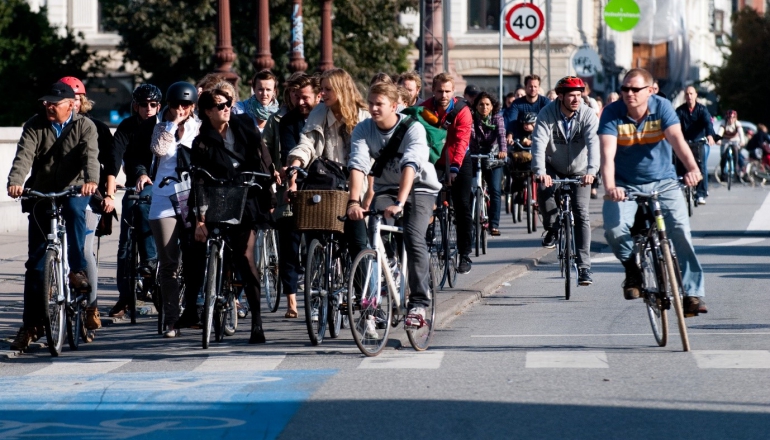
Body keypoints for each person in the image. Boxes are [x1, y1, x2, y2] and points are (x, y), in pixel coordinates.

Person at [599, 68, 707, 315]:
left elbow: (678, 141)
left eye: (635, 89)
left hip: (664, 182)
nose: (629, 94)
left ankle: (693, 293)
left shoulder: (662, 108)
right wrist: (610, 188)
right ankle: (632, 270)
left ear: (650, 91)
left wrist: (693, 170)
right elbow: (607, 156)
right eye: (625, 89)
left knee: (679, 230)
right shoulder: (612, 113)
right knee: (614, 230)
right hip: (624, 185)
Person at [7, 82, 99, 350]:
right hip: (42, 192)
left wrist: (91, 181)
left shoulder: (85, 126)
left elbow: (90, 157)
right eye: (45, 102)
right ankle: (30, 325)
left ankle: (76, 269)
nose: (47, 106)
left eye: (54, 103)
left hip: (75, 189)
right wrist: (15, 181)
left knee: (73, 210)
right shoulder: (35, 124)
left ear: (71, 104)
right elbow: (24, 155)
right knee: (35, 265)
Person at [347, 81, 441, 333]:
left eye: (380, 104)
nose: (374, 108)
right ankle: (379, 290)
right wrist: (354, 200)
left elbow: (411, 164)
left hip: (420, 188)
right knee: (373, 237)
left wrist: (400, 202)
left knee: (413, 236)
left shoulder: (413, 128)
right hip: (387, 188)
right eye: (371, 103)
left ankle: (419, 302)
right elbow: (358, 164)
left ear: (394, 106)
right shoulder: (363, 128)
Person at [190, 87, 275, 343]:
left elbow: (262, 156)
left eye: (228, 103)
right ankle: (202, 302)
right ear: (207, 112)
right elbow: (198, 181)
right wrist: (199, 219)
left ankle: (257, 323)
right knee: (201, 246)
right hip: (218, 198)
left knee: (245, 256)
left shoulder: (244, 124)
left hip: (246, 196)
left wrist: (269, 186)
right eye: (220, 105)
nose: (227, 108)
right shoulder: (201, 140)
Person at [285, 68, 372, 296]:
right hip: (326, 182)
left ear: (341, 90)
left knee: (357, 243)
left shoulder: (362, 115)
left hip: (355, 182)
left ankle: (367, 306)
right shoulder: (319, 113)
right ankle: (317, 295)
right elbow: (307, 142)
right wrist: (296, 163)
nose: (321, 94)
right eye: (321, 89)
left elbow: (365, 156)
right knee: (314, 232)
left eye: (327, 89)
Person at [136, 81, 202, 337]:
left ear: (193, 106)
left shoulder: (199, 127)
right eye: (176, 105)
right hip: (164, 197)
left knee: (195, 258)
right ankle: (171, 319)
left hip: (191, 196)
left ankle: (195, 309)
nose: (181, 109)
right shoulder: (161, 127)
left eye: (186, 105)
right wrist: (173, 123)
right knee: (168, 263)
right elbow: (159, 150)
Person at [531, 76, 599, 286]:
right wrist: (540, 171)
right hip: (553, 166)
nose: (576, 99)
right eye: (571, 95)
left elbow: (593, 143)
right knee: (544, 189)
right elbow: (538, 143)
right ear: (560, 96)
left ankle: (584, 267)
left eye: (579, 95)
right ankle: (551, 227)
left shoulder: (587, 114)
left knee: (581, 212)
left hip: (580, 170)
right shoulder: (547, 113)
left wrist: (592, 171)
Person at [58, 76, 113, 332]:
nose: (74, 104)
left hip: (89, 194)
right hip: (60, 192)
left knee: (85, 248)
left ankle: (91, 306)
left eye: (78, 99)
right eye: (70, 99)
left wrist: (106, 191)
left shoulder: (95, 127)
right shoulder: (52, 125)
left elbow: (105, 161)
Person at [106, 84, 162, 318]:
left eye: (153, 105)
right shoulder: (128, 126)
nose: (148, 109)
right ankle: (125, 296)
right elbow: (115, 155)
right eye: (143, 105)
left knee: (154, 228)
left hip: (161, 188)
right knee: (125, 242)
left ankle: (153, 270)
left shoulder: (163, 126)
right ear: (135, 106)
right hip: (134, 184)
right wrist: (110, 183)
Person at [276, 74, 322, 318]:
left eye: (306, 98)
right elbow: (290, 153)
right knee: (289, 241)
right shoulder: (288, 121)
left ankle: (318, 293)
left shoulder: (324, 117)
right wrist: (291, 181)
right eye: (298, 97)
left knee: (318, 241)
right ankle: (291, 299)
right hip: (295, 184)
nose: (302, 102)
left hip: (322, 186)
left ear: (318, 97)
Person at [419, 73, 474, 274]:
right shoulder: (424, 108)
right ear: (433, 91)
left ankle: (465, 253)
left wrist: (455, 168)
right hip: (434, 160)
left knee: (462, 205)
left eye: (447, 91)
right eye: (440, 91)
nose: (443, 94)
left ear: (453, 92)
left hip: (458, 159)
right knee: (425, 200)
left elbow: (462, 141)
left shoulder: (462, 111)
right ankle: (426, 239)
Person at [469, 92, 506, 236]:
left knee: (495, 190)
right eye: (481, 104)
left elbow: (501, 135)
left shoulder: (497, 118)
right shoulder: (472, 119)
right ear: (476, 106)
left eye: (487, 105)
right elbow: (468, 135)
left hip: (494, 157)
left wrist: (503, 150)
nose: (484, 107)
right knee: (469, 189)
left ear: (492, 107)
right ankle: (470, 219)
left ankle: (494, 224)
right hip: (475, 156)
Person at [675, 86, 715, 205]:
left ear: (696, 95)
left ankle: (701, 194)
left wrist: (710, 135)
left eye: (691, 94)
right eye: (687, 94)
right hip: (685, 142)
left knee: (701, 166)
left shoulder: (702, 109)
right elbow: (675, 124)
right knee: (680, 165)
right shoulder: (680, 110)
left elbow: (708, 123)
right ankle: (680, 190)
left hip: (698, 142)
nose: (689, 96)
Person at [504, 75, 550, 146]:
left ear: (538, 87)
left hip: (541, 138)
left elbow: (550, 120)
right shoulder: (517, 103)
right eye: (530, 86)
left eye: (535, 86)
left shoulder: (546, 102)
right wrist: (510, 135)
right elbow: (512, 121)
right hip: (520, 140)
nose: (533, 89)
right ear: (525, 87)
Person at [718, 109, 746, 181]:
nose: (731, 120)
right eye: (729, 118)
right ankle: (722, 173)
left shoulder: (737, 124)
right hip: (725, 140)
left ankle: (736, 169)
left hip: (734, 140)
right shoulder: (724, 123)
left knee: (736, 152)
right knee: (723, 156)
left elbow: (741, 134)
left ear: (735, 118)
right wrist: (718, 140)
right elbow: (720, 132)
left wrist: (742, 141)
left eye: (733, 118)